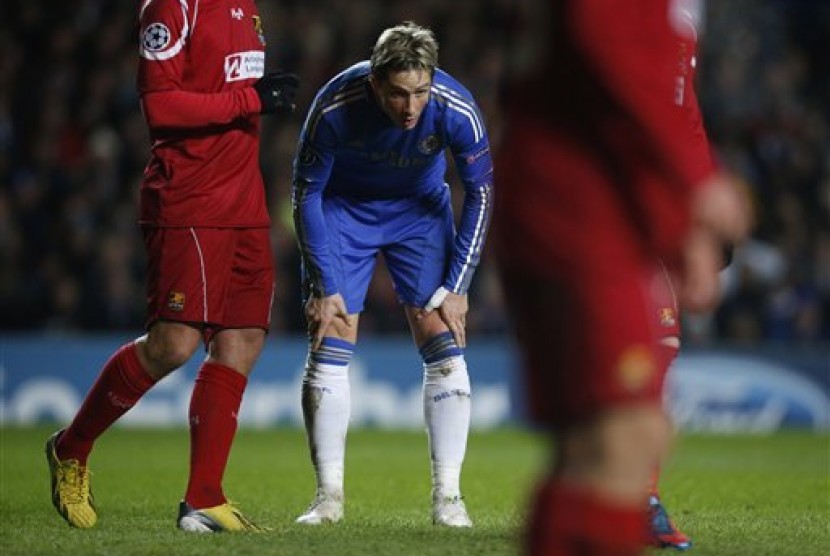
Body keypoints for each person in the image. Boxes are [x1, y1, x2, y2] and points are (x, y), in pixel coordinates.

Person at [494, 1, 750, 555]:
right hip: (579, 202)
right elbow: (613, 49)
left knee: (597, 442)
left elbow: (670, 95)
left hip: (601, 200)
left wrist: (683, 220)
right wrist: (697, 183)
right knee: (623, 434)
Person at [45, 0, 299, 533]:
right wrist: (249, 98)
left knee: (243, 339)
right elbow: (160, 107)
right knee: (173, 344)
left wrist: (253, 100)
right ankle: (72, 448)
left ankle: (203, 499)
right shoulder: (171, 8)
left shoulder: (245, 7)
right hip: (190, 199)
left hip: (245, 203)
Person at [290, 21, 494, 528]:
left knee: (443, 337)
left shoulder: (456, 106)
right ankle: (328, 498)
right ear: (375, 83)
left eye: (420, 92)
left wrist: (460, 286)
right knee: (331, 332)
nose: (410, 107)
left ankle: (449, 499)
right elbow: (306, 192)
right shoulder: (335, 104)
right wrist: (322, 283)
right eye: (399, 94)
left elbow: (482, 192)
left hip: (418, 212)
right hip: (343, 210)